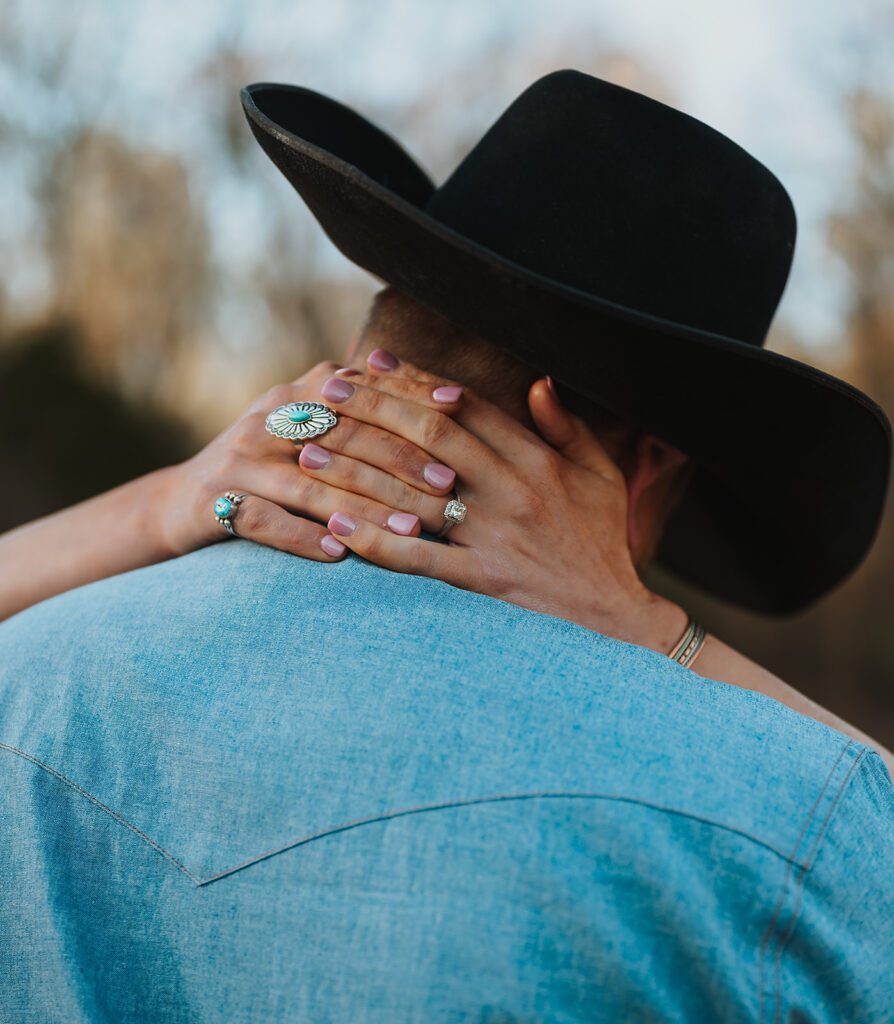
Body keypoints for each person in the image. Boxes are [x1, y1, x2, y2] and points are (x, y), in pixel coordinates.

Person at [1, 69, 892, 1022]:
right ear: (653, 468)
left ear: (367, 356)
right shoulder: (799, 818)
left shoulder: (27, 676)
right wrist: (655, 628)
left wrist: (155, 507)